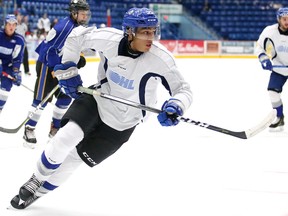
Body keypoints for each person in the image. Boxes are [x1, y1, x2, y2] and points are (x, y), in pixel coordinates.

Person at [10, 7, 193, 209]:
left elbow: (183, 90)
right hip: (98, 99)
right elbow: (75, 36)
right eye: (145, 32)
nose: (151, 38)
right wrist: (67, 68)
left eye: (153, 32)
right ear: (129, 32)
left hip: (124, 121)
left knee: (75, 159)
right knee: (65, 136)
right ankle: (36, 179)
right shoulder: (109, 39)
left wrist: (177, 104)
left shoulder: (161, 60)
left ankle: (40, 192)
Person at [23, 0, 90, 149]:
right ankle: (29, 128)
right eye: (82, 13)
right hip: (48, 66)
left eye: (86, 13)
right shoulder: (64, 28)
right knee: (41, 100)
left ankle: (55, 128)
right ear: (74, 13)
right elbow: (49, 51)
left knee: (65, 97)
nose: (85, 16)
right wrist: (54, 68)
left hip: (61, 66)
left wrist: (78, 59)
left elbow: (68, 49)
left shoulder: (77, 27)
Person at [256, 7, 288, 132]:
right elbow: (259, 46)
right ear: (279, 19)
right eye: (284, 19)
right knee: (272, 92)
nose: (287, 21)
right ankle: (279, 117)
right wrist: (264, 58)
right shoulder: (269, 31)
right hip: (279, 68)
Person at [0, 14, 24, 115]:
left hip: (7, 66)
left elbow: (17, 59)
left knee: (6, 87)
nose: (11, 27)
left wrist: (16, 72)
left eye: (14, 24)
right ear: (5, 25)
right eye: (9, 24)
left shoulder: (19, 40)